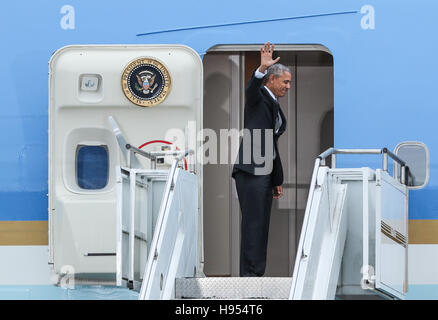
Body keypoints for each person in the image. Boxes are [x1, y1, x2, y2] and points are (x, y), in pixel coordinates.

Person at [232, 42, 291, 277]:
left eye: (289, 83)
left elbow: (272, 145)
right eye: (285, 82)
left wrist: (277, 179)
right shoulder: (258, 97)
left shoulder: (273, 103)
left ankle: (256, 274)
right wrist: (261, 70)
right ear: (272, 80)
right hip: (252, 170)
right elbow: (250, 90)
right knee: (253, 225)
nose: (288, 87)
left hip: (263, 171)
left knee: (261, 225)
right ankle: (250, 276)